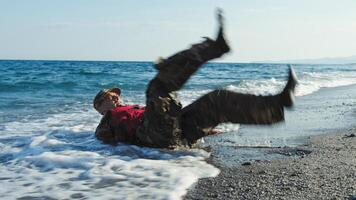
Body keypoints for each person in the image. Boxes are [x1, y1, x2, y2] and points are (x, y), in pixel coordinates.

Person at [93, 10, 297, 148]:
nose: (115, 99)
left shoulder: (134, 110)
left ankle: (277, 104)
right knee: (157, 87)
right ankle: (214, 47)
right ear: (100, 108)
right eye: (109, 98)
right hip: (153, 136)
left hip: (174, 130)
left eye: (115, 96)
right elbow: (116, 146)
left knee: (216, 100)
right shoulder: (105, 124)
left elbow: (161, 120)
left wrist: (203, 129)